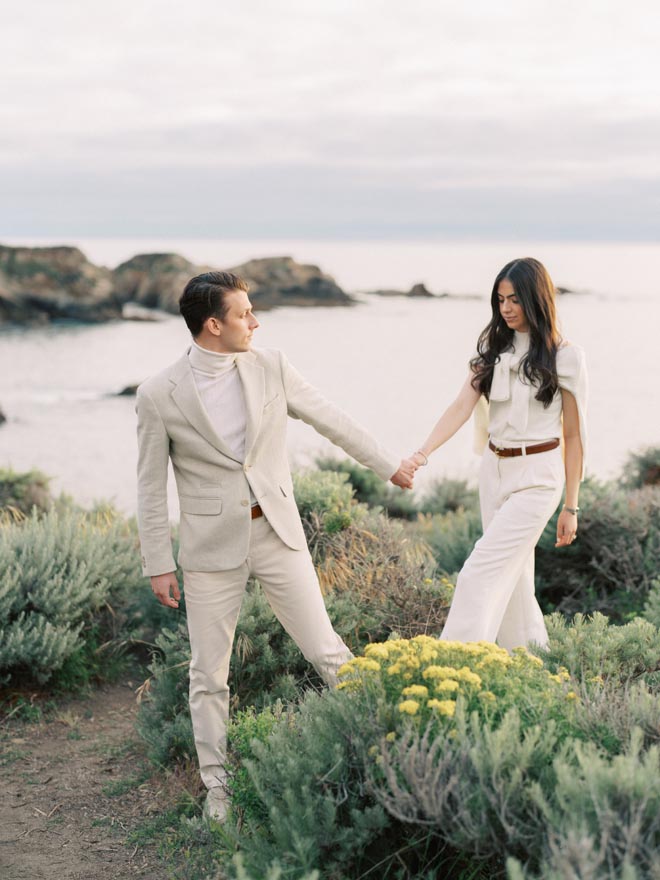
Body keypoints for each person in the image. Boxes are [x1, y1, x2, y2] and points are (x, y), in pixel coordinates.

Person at [135, 270, 415, 821]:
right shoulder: (157, 395)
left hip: (278, 533)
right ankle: (218, 790)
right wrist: (157, 562)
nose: (255, 322)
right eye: (244, 314)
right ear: (213, 325)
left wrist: (389, 465)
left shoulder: (272, 367)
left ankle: (390, 752)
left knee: (327, 650)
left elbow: (330, 418)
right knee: (209, 675)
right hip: (210, 551)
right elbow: (149, 483)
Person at [405, 257, 587, 651]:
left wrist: (571, 507)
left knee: (479, 572)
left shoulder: (566, 355)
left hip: (538, 477)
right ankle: (531, 667)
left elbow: (574, 435)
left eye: (515, 300)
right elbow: (460, 406)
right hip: (494, 470)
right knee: (516, 581)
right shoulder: (493, 349)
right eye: (501, 299)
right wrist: (422, 453)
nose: (506, 308)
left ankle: (454, 665)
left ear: (537, 300)